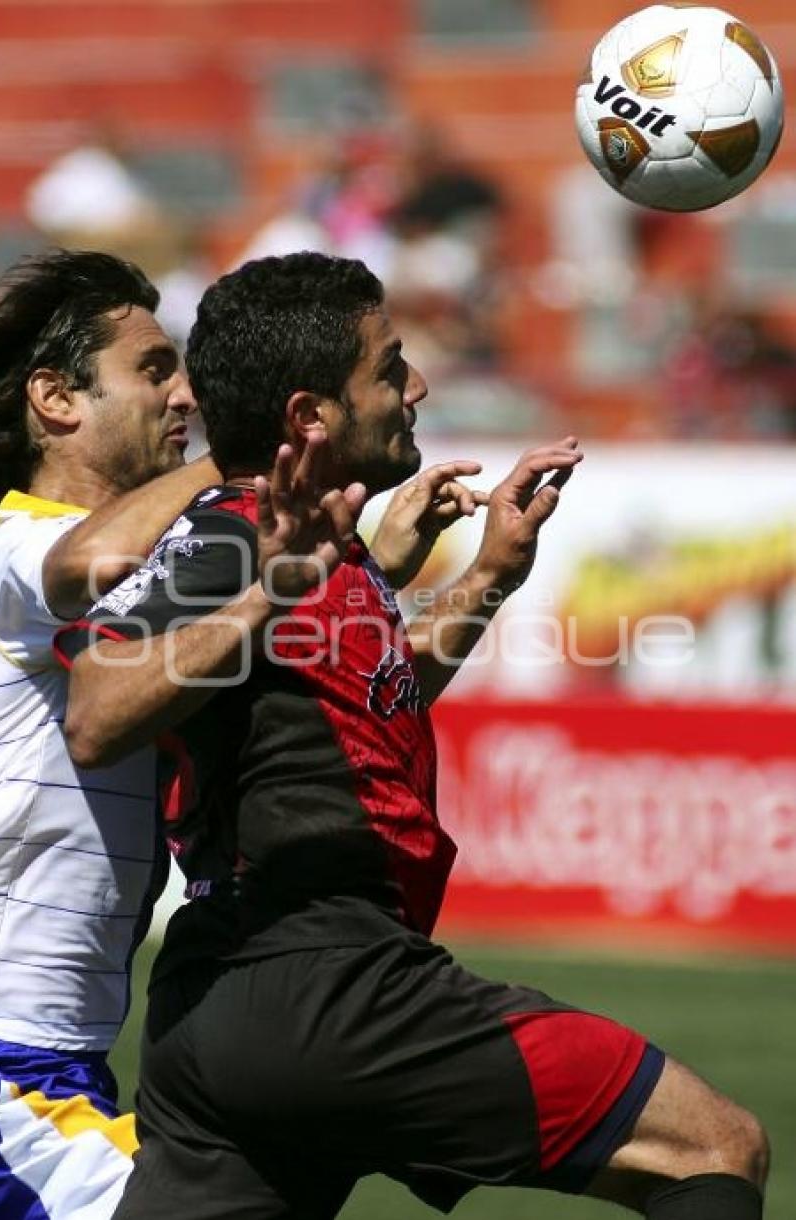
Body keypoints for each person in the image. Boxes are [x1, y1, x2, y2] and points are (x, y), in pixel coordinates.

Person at [59, 253, 768, 1220]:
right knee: (712, 1147)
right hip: (330, 976)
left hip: (225, 1007)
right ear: (312, 416)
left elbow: (363, 698)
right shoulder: (238, 536)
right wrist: (277, 586)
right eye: (390, 369)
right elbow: (96, 715)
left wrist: (487, 578)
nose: (418, 387)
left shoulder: (306, 546)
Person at [0, 248, 477, 1220]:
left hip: (35, 1062)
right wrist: (237, 449)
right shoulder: (23, 547)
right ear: (56, 399)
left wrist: (455, 586)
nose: (183, 390)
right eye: (153, 370)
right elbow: (91, 557)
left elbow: (347, 699)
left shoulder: (153, 591)